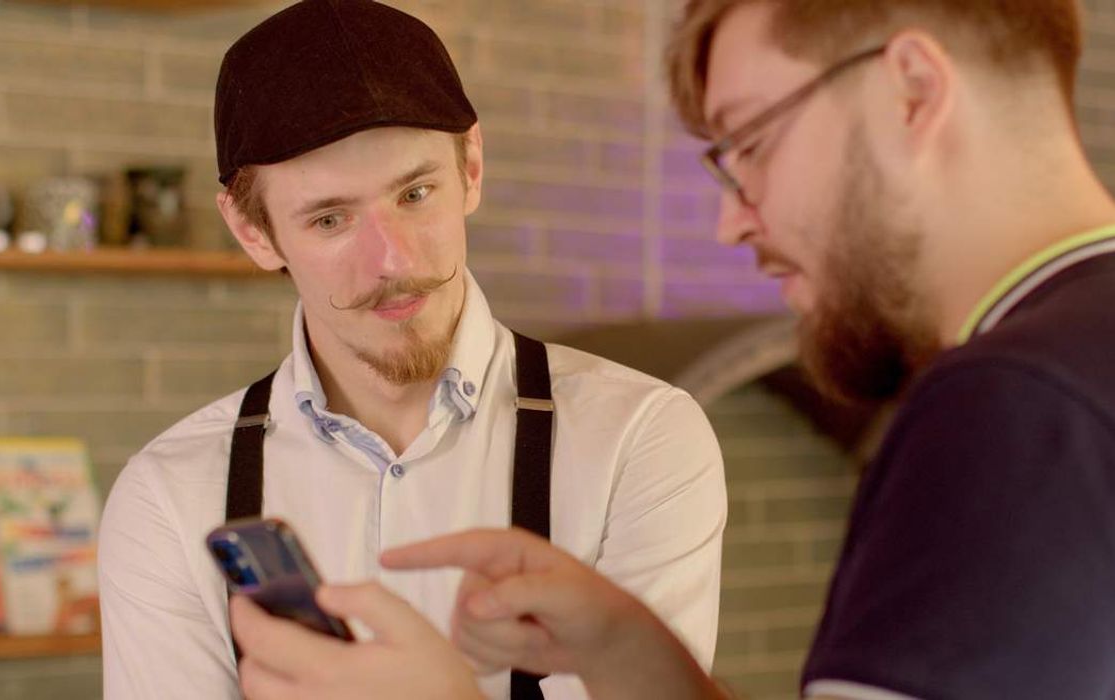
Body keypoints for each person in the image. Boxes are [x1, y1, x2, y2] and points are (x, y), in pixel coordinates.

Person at [223, 0, 1115, 698]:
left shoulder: (1011, 405)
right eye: (331, 217)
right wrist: (636, 657)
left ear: (913, 88)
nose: (730, 221)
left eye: (750, 141)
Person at [96, 1, 727, 699]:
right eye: (331, 218)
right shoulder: (169, 495)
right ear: (253, 233)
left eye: (415, 192)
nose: (391, 259)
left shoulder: (640, 438)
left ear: (473, 168)